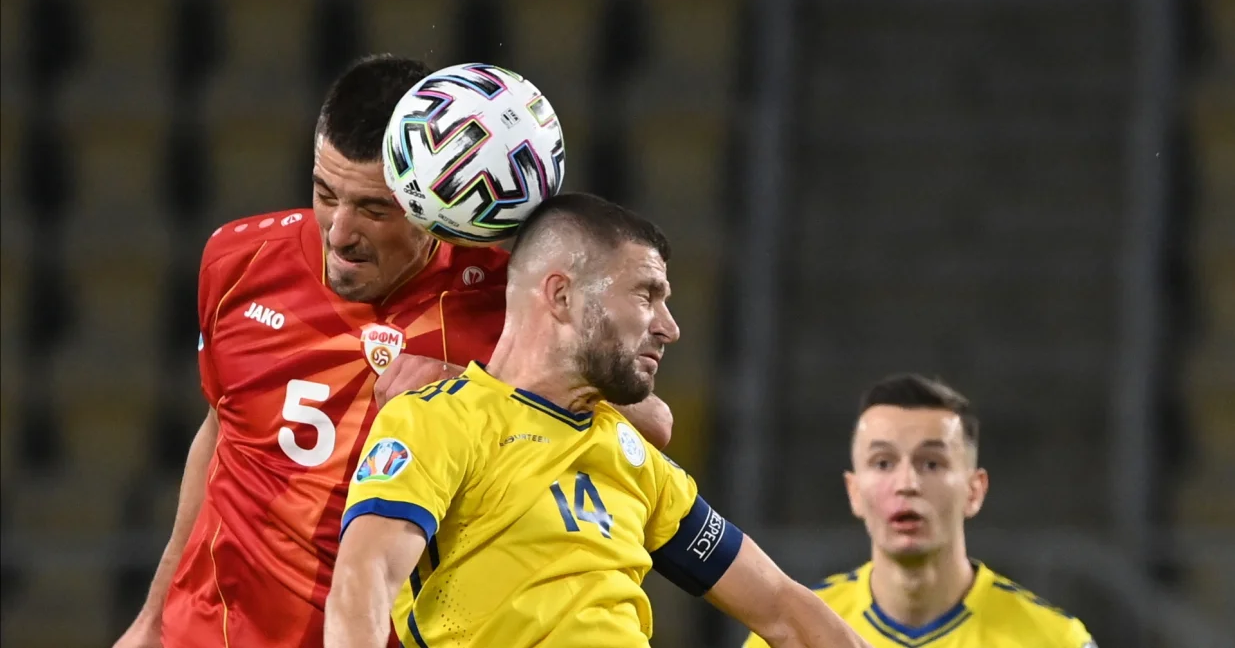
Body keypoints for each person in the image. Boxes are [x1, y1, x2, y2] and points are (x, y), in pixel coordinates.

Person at [112, 55, 673, 648]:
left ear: (436, 207)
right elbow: (223, 431)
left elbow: (650, 427)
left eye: (374, 209)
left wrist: (473, 389)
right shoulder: (236, 263)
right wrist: (152, 621)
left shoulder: (510, 307)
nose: (338, 232)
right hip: (211, 632)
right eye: (325, 193)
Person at [324, 193, 871, 648]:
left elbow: (779, 605)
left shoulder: (634, 460)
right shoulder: (442, 421)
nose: (670, 327)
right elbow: (363, 584)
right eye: (647, 295)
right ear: (561, 296)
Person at [744, 374, 1096, 648]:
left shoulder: (1055, 639)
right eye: (883, 463)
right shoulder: (790, 630)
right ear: (854, 491)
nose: (907, 483)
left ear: (975, 490)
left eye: (931, 463)